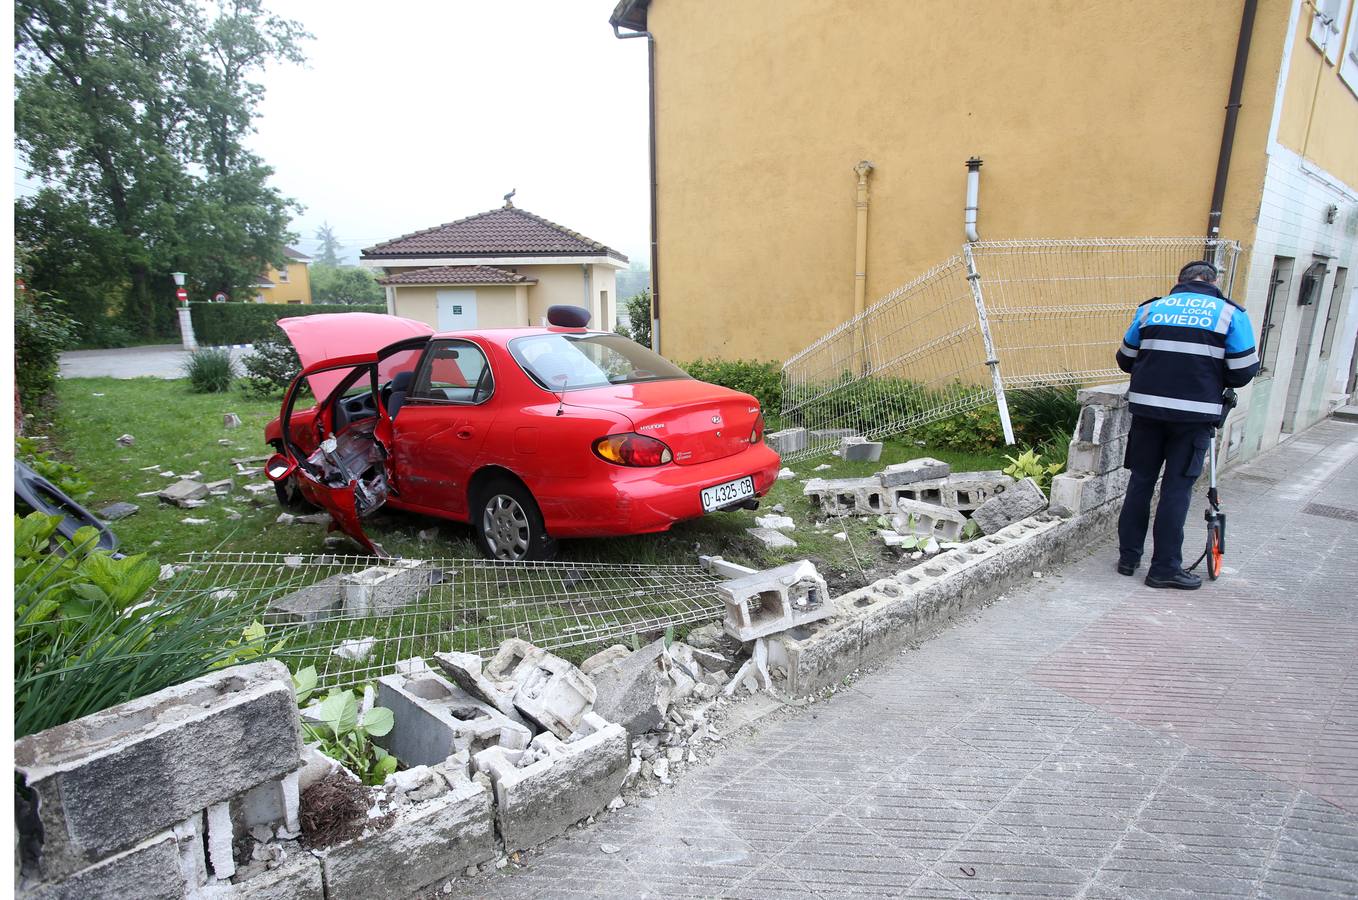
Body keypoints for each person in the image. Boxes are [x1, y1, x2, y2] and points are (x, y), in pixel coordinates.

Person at [1114, 260, 1259, 589]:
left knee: (1140, 482)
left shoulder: (1151, 310)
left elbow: (1125, 359)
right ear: (1214, 282)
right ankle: (1164, 568)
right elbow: (1243, 370)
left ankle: (1128, 559)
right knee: (1176, 489)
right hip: (1194, 417)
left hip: (1147, 413)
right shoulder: (1230, 314)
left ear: (1179, 281)